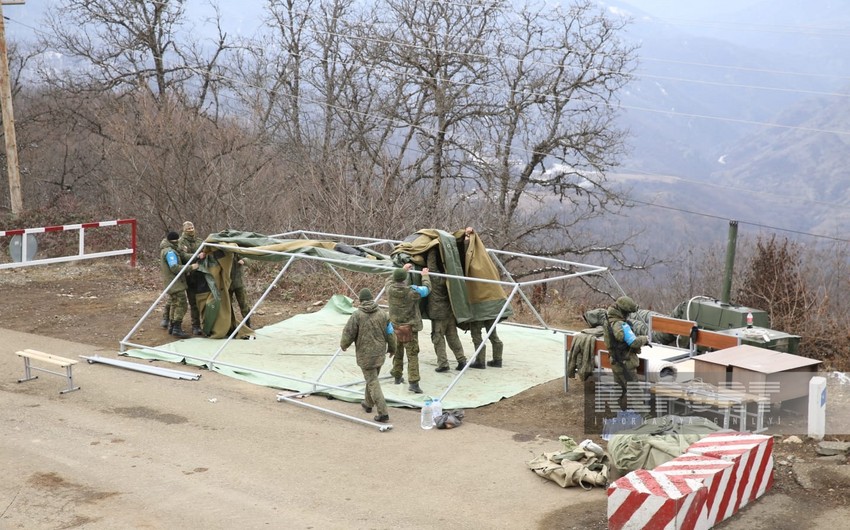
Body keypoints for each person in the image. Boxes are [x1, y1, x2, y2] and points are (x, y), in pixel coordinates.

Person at [340, 288, 396, 423]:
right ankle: (368, 403)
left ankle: (383, 413)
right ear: (372, 299)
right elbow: (390, 333)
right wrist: (392, 348)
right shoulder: (383, 314)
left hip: (365, 355)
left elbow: (349, 332)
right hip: (379, 353)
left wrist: (344, 344)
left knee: (372, 381)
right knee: (372, 378)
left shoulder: (357, 315)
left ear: (361, 301)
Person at [386, 263, 431, 394]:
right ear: (405, 279)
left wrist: (403, 269)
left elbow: (389, 279)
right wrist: (425, 276)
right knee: (412, 355)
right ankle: (414, 382)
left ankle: (397, 375)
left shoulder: (389, 289)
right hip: (409, 328)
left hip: (395, 326)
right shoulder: (412, 292)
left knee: (398, 351)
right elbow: (427, 289)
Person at [601, 295, 649, 411]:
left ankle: (614, 414)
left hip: (615, 361)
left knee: (618, 389)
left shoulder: (608, 321)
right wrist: (644, 339)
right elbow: (633, 342)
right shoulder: (622, 325)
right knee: (636, 393)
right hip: (626, 364)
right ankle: (646, 418)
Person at [426, 247, 467, 371]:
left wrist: (432, 250)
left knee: (438, 338)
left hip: (439, 313)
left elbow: (431, 265)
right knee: (452, 336)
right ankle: (462, 360)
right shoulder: (451, 279)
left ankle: (443, 364)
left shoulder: (436, 278)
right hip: (450, 312)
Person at [159, 231, 197, 338]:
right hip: (175, 283)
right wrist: (191, 267)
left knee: (174, 304)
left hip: (172, 282)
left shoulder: (168, 249)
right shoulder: (170, 252)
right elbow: (174, 267)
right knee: (181, 305)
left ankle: (172, 327)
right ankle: (176, 328)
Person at [178, 221, 204, 336]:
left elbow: (205, 250)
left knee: (202, 301)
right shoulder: (181, 242)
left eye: (192, 227)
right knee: (193, 302)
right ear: (184, 230)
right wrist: (197, 256)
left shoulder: (199, 241)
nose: (190, 230)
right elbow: (183, 256)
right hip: (189, 275)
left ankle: (204, 324)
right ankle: (195, 326)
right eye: (188, 228)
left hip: (201, 274)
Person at [230, 252, 253, 329]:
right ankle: (230, 325)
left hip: (239, 283)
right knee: (227, 305)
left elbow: (249, 258)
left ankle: (248, 323)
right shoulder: (224, 252)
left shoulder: (237, 251)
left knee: (244, 304)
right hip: (227, 284)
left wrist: (244, 260)